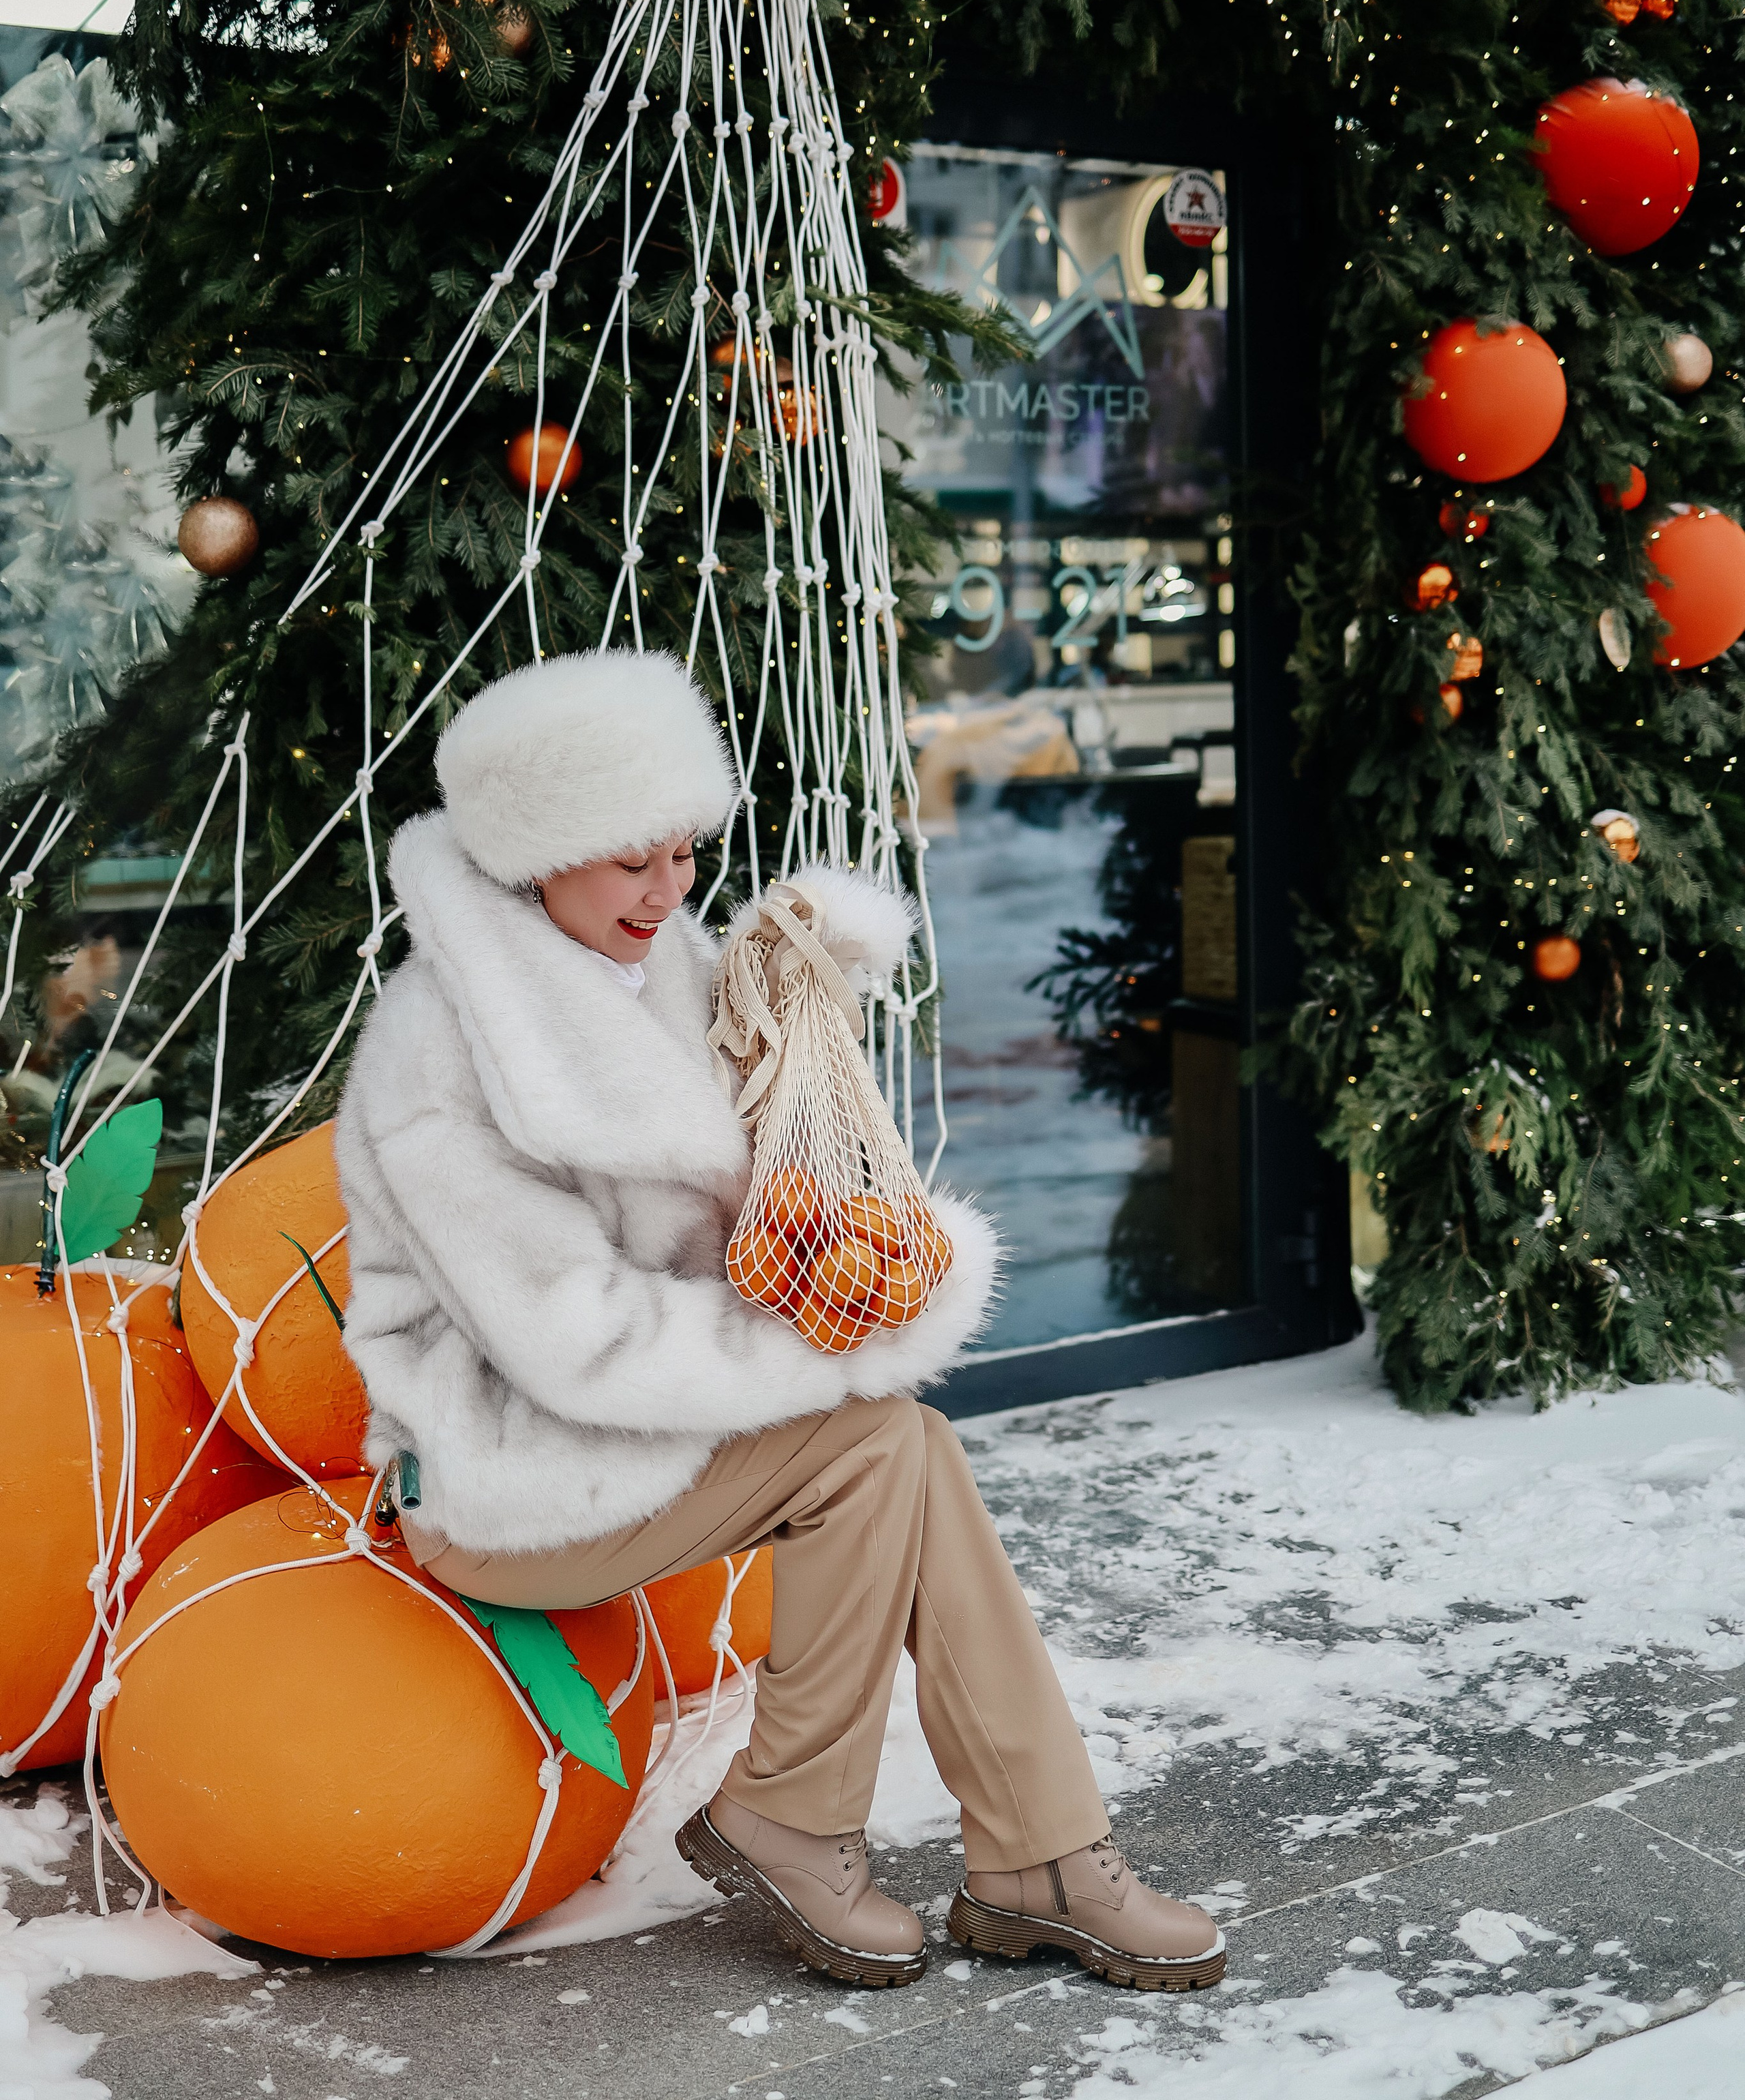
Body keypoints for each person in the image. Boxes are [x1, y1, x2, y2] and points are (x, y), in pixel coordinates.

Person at [335, 648, 1224, 1994]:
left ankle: (1027, 1859)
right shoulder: (439, 1048)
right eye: (630, 861)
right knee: (876, 1443)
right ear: (538, 853)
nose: (667, 890)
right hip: (504, 1471)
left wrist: (799, 1010)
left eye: (683, 853)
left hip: (635, 1436)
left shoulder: (652, 967)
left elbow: (741, 1190)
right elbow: (576, 1340)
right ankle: (861, 1830)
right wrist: (821, 1350)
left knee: (905, 1444)